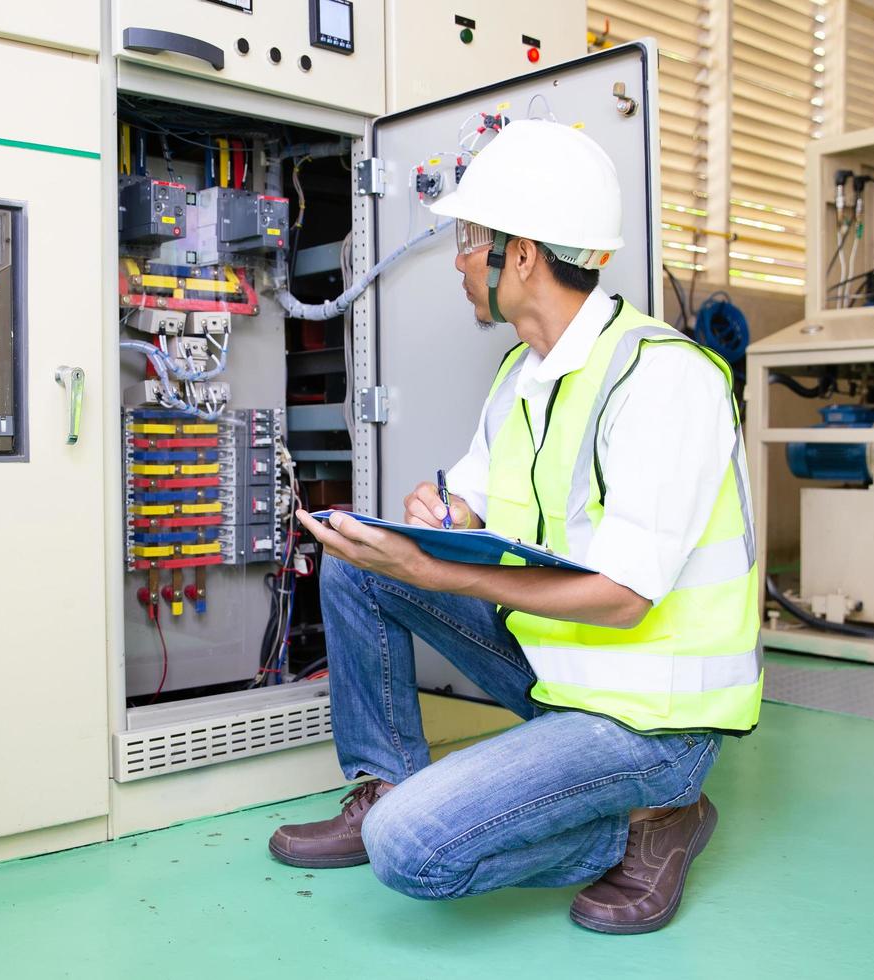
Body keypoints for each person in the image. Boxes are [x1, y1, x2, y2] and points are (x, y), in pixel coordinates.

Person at [269, 119, 761, 935]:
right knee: (363, 565)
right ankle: (386, 782)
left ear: (522, 256)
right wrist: (439, 520)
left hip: (651, 721)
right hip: (558, 673)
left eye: (470, 239)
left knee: (411, 852)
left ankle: (659, 815)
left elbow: (624, 598)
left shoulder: (664, 380)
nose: (459, 259)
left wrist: (442, 571)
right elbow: (472, 501)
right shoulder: (521, 376)